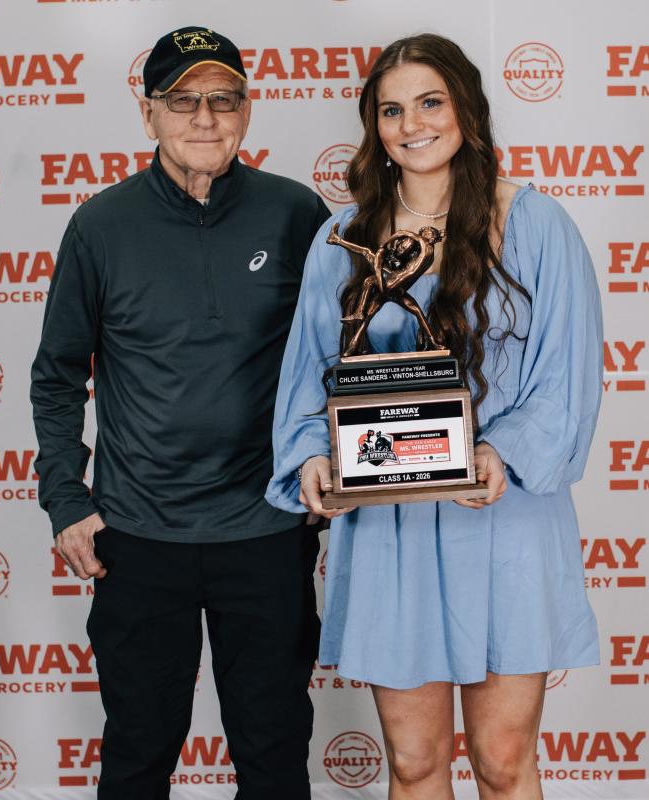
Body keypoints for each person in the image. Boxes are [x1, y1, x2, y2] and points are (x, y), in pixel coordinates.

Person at [266, 33, 603, 800]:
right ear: (373, 126)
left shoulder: (535, 224)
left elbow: (567, 375)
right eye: (391, 110)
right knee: (414, 763)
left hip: (502, 516)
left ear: (466, 111)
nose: (410, 124)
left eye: (429, 102)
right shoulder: (341, 240)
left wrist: (501, 453)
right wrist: (312, 457)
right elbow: (305, 380)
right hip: (391, 528)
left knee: (502, 760)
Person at [31, 26, 330, 800]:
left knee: (273, 758)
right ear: (149, 114)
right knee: (137, 756)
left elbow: (339, 359)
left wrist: (332, 467)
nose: (204, 117)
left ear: (246, 110)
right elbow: (57, 374)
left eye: (222, 99)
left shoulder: (298, 215)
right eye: (182, 100)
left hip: (266, 530)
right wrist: (66, 500)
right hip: (136, 537)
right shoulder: (100, 226)